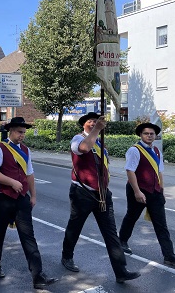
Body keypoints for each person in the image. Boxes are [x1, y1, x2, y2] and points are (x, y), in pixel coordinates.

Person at [61, 112, 140, 283]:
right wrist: (96, 129)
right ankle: (67, 256)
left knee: (111, 233)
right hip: (83, 193)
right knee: (75, 227)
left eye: (97, 122)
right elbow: (83, 149)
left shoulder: (100, 144)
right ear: (83, 124)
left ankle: (121, 271)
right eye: (90, 122)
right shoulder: (77, 139)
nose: (94, 124)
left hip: (103, 194)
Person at [0, 117, 57, 290]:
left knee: (28, 236)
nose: (22, 135)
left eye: (24, 132)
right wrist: (11, 182)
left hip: (21, 199)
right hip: (3, 197)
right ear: (11, 131)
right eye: (19, 132)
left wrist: (33, 195)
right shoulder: (0, 149)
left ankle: (38, 276)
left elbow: (30, 174)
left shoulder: (25, 150)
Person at [119, 123, 175, 265]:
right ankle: (122, 241)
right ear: (141, 135)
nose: (149, 136)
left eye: (152, 134)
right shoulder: (134, 150)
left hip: (155, 192)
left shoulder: (156, 151)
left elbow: (159, 172)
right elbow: (130, 171)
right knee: (132, 217)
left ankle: (169, 255)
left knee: (161, 224)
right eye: (146, 133)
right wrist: (137, 191)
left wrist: (161, 190)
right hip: (138, 190)